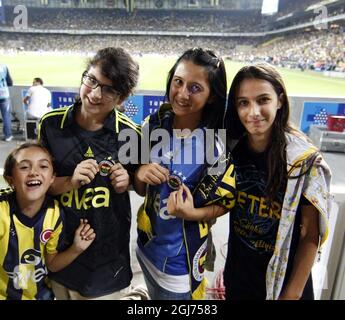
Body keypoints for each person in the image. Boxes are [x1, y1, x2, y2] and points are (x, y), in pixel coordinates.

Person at [134, 48, 236, 300]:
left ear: (212, 96)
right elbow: (139, 189)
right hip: (145, 247)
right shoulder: (153, 124)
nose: (181, 93)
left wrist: (192, 213)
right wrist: (140, 172)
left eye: (195, 87)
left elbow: (225, 203)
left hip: (180, 263)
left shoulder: (216, 146)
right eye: (178, 82)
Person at [38, 47, 140, 300]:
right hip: (57, 254)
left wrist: (127, 181)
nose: (95, 93)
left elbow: (141, 185)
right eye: (92, 80)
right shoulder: (50, 125)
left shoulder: (131, 134)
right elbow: (38, 186)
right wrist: (71, 182)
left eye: (109, 89)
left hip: (107, 264)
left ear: (122, 98)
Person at [223, 63, 332, 300]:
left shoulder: (302, 160)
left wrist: (291, 294)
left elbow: (309, 235)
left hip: (284, 287)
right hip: (239, 281)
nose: (253, 112)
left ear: (279, 100)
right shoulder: (232, 150)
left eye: (263, 100)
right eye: (244, 102)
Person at [0, 143, 96, 300]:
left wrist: (76, 248)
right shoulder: (2, 210)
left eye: (43, 166)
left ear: (52, 178)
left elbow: (51, 263)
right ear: (10, 179)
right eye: (24, 167)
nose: (34, 172)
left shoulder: (55, 214)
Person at [0, 63, 13, 141]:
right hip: (4, 94)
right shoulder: (4, 66)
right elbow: (10, 82)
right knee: (6, 116)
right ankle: (8, 135)